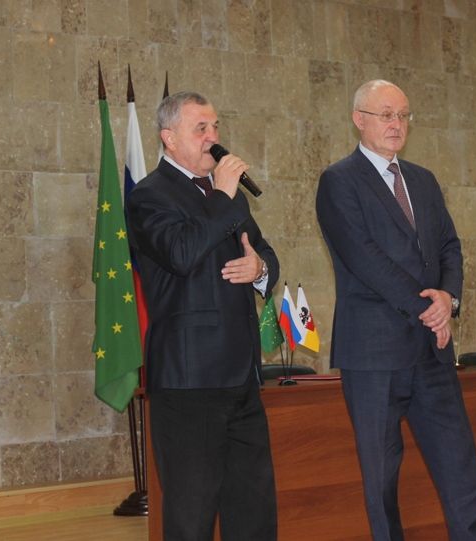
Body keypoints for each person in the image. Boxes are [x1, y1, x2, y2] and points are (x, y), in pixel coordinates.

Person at [315, 80, 476, 541]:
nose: (396, 124)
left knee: (459, 463)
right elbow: (365, 259)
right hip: (374, 355)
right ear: (359, 119)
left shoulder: (423, 180)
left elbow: (449, 246)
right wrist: (427, 307)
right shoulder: (339, 181)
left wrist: (448, 297)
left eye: (403, 115)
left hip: (432, 350)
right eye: (386, 115)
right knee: (381, 477)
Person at [126, 91, 278, 541]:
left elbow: (263, 250)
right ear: (169, 138)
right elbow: (182, 252)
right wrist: (224, 196)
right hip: (189, 382)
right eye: (201, 129)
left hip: (241, 378)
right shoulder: (149, 195)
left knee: (253, 511)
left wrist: (260, 269)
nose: (214, 138)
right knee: (192, 517)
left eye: (215, 127)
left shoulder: (227, 197)